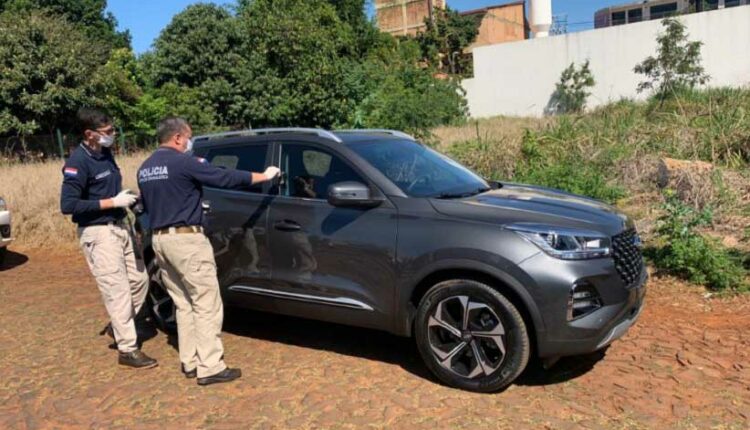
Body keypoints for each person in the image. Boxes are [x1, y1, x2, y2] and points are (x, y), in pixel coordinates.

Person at [137, 117, 280, 386]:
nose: (190, 143)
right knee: (206, 303)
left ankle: (190, 361)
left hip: (160, 241)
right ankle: (211, 366)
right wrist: (264, 176)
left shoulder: (145, 168)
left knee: (183, 303)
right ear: (178, 138)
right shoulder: (182, 162)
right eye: (188, 137)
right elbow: (224, 177)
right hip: (187, 241)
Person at [60, 108, 156, 369]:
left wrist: (125, 198)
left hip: (120, 226)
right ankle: (127, 348)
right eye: (107, 132)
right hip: (98, 232)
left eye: (113, 130)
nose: (112, 135)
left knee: (139, 281)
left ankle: (118, 326)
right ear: (89, 134)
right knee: (118, 291)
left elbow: (106, 189)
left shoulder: (105, 155)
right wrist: (111, 201)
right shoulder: (78, 161)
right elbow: (68, 205)